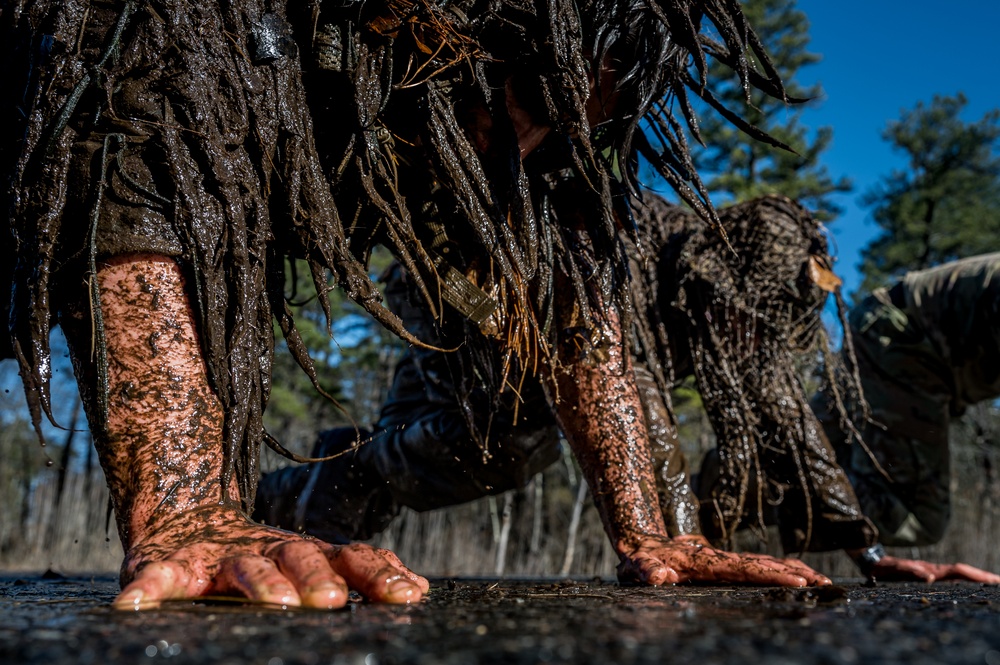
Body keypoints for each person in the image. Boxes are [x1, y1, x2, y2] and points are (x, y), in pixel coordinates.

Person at [2, 0, 832, 610]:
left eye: (575, 124)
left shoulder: (537, 136)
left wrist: (653, 531)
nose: (536, 141)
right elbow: (138, 117)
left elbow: (574, 303)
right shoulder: (275, 33)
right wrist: (184, 508)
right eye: (538, 101)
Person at [258, 195, 999, 584]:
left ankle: (308, 493)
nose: (749, 341)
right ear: (718, 283)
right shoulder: (645, 262)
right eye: (743, 321)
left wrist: (867, 550)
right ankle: (335, 479)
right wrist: (677, 543)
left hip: (490, 289)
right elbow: (632, 401)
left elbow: (784, 421)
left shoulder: (737, 310)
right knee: (508, 435)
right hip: (455, 281)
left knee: (453, 431)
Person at [810, 253, 1000, 581]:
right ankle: (801, 494)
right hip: (899, 341)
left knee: (799, 446)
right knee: (918, 515)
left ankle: (707, 502)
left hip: (884, 327)